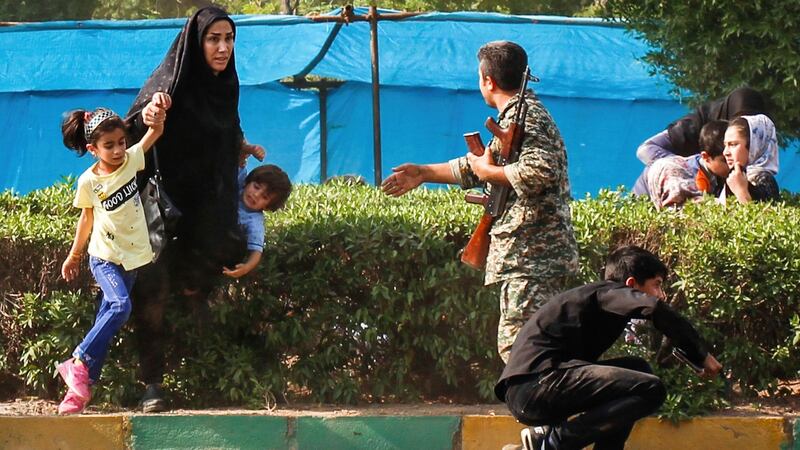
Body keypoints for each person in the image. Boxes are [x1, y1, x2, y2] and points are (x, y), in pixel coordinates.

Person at [381, 40, 578, 363]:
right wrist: (424, 173)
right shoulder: (517, 118)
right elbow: (479, 164)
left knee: (525, 351)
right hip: (529, 259)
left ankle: (552, 409)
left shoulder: (527, 118)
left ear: (488, 81)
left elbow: (539, 171)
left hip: (532, 258)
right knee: (530, 349)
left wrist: (488, 172)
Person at [124, 6, 265, 412]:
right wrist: (150, 118)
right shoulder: (170, 84)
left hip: (207, 208)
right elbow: (134, 124)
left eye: (229, 39)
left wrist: (240, 145)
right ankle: (151, 383)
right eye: (213, 39)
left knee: (226, 248)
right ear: (195, 41)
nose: (223, 48)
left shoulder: (226, 86)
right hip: (162, 211)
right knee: (153, 292)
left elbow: (226, 128)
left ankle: (196, 309)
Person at [497, 246, 722, 450]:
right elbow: (656, 309)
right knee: (651, 389)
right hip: (535, 387)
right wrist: (701, 354)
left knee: (639, 370)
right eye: (657, 285)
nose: (661, 294)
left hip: (541, 386)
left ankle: (555, 441)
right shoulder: (606, 293)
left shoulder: (602, 300)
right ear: (631, 285)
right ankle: (554, 443)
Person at [57, 93, 171, 415]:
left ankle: (77, 393)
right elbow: (86, 220)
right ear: (93, 149)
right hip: (104, 258)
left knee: (105, 325)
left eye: (122, 142)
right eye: (110, 145)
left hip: (132, 261)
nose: (119, 150)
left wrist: (158, 116)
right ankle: (77, 359)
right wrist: (74, 256)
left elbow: (155, 134)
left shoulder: (132, 160)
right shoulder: (88, 182)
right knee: (121, 306)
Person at [636, 87, 768, 165]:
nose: (743, 129)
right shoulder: (696, 124)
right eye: (738, 122)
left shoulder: (758, 140)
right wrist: (688, 168)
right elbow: (646, 149)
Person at [632, 120, 730, 209]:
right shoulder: (679, 173)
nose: (731, 164)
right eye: (724, 161)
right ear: (706, 157)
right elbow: (682, 211)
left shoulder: (716, 176)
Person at [222, 164, 292, 278]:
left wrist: (246, 267)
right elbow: (238, 162)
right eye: (256, 187)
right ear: (247, 182)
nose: (256, 195)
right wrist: (248, 150)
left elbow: (256, 251)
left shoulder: (254, 221)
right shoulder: (238, 186)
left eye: (264, 197)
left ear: (268, 206)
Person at [721, 114, 780, 204]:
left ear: (754, 146)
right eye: (725, 145)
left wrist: (741, 192)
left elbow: (765, 216)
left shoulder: (764, 180)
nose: (725, 152)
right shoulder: (738, 175)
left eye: (733, 144)